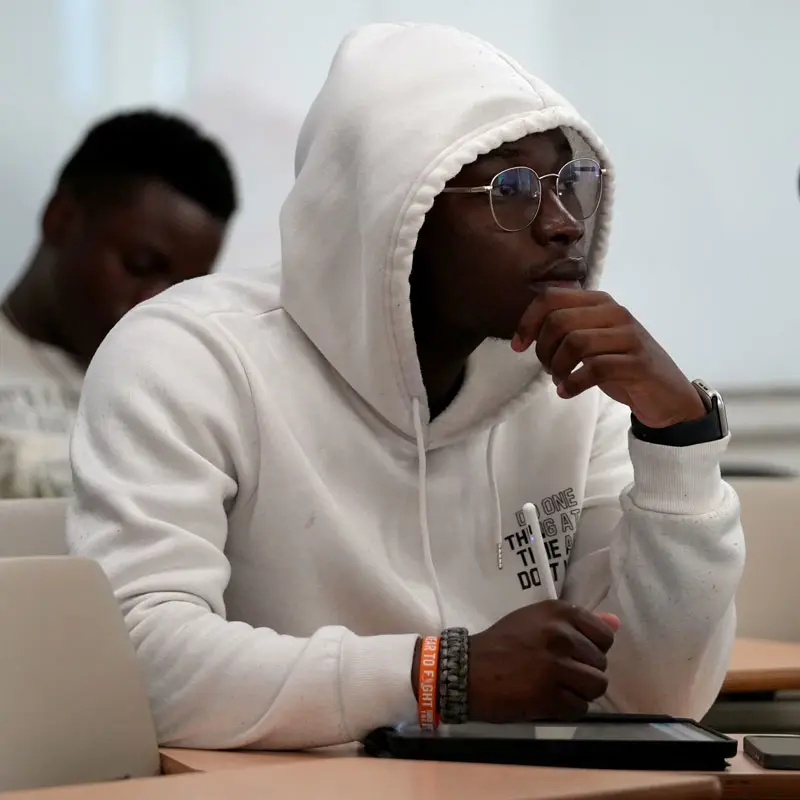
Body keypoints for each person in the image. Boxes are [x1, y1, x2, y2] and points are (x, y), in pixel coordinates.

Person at [67, 24, 744, 750]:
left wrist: (678, 439)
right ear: (391, 212)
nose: (561, 225)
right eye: (511, 188)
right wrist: (437, 674)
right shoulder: (188, 357)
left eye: (569, 182)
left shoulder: (574, 392)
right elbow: (141, 663)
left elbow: (656, 697)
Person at [0, 110, 237, 498]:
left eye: (184, 288)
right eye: (140, 267)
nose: (156, 303)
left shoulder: (179, 401)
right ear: (61, 220)